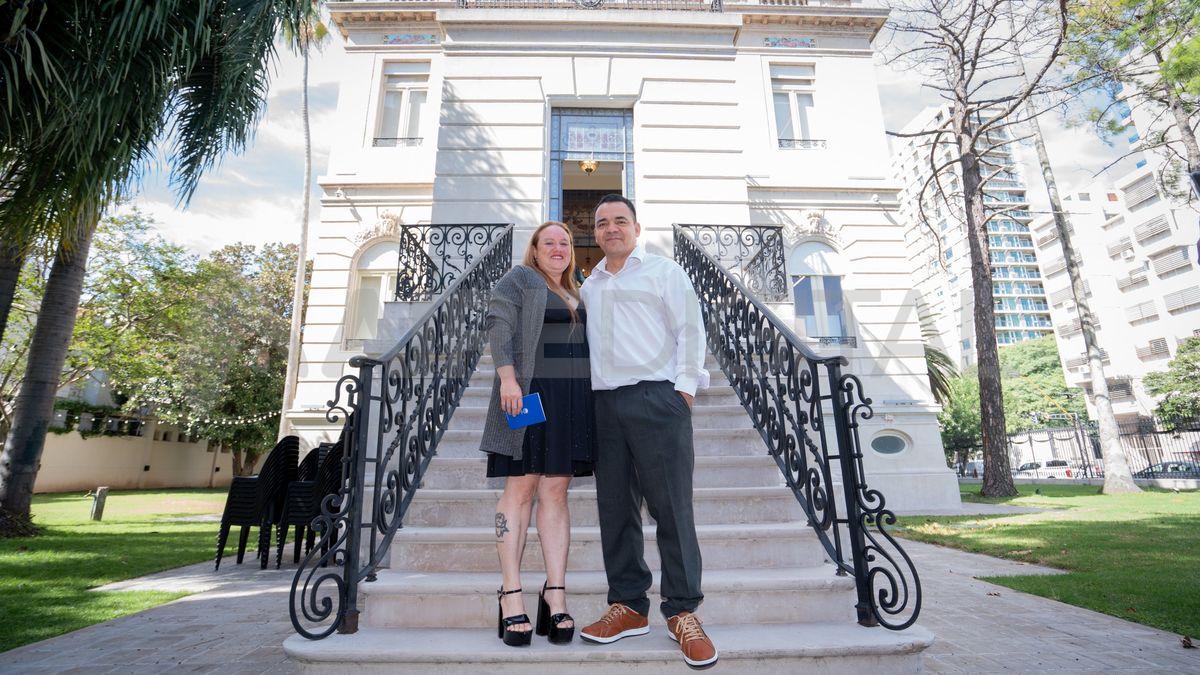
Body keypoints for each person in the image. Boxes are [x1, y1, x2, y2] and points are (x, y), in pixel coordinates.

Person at [578, 194, 718, 668]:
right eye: (602, 224)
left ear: (637, 228)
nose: (610, 229)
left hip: (658, 400)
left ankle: (681, 611)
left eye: (620, 221)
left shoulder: (664, 271)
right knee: (615, 510)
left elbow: (691, 330)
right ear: (595, 234)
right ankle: (630, 607)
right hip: (604, 406)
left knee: (672, 509)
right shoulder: (589, 286)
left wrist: (684, 391)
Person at [480, 221, 595, 647]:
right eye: (549, 242)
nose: (558, 248)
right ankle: (511, 596)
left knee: (556, 493)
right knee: (521, 488)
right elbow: (499, 325)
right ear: (534, 248)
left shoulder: (577, 290)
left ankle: (555, 593)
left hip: (570, 400)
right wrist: (508, 380)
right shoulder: (521, 278)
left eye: (565, 242)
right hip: (527, 396)